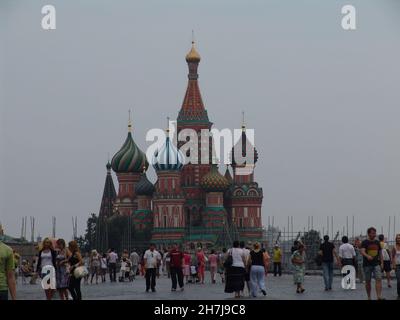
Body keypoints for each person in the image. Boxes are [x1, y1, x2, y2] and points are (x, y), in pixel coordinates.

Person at [361, 227, 384, 300]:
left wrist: (382, 262)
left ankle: (379, 296)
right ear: (369, 234)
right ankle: (369, 297)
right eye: (373, 233)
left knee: (379, 279)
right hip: (367, 265)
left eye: (375, 233)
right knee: (368, 281)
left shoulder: (377, 242)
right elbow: (362, 251)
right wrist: (367, 256)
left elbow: (380, 253)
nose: (374, 234)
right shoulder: (365, 242)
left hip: (376, 264)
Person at [391, 234, 400, 299]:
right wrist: (393, 265)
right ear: (396, 239)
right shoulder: (394, 247)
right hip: (397, 265)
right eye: (397, 238)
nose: (398, 239)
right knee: (399, 280)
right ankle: (399, 293)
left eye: (399, 238)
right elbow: (392, 257)